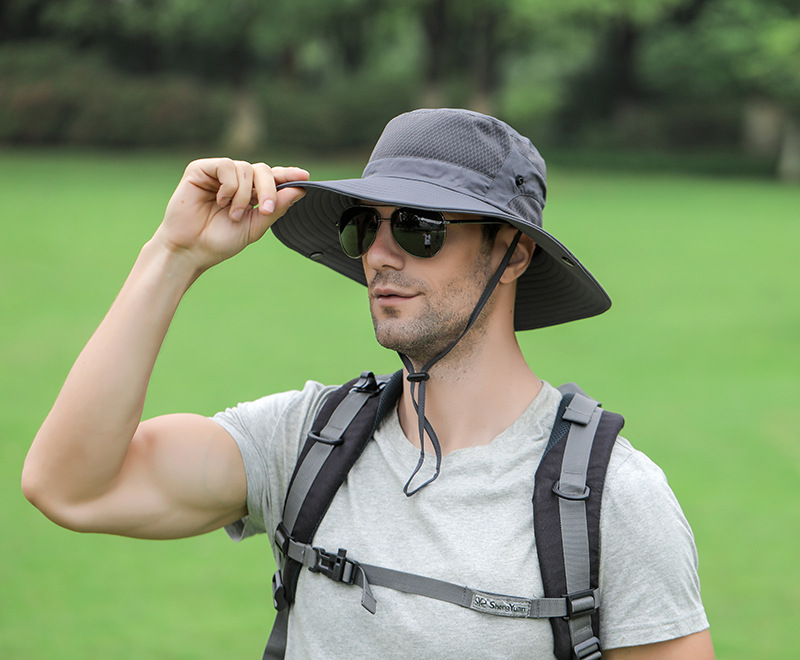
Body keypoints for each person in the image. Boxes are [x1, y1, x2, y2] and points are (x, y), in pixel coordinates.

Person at [22, 108, 714, 658]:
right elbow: (72, 486)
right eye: (365, 226)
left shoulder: (609, 500)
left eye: (418, 228)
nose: (379, 255)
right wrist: (172, 256)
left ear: (512, 252)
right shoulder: (306, 442)